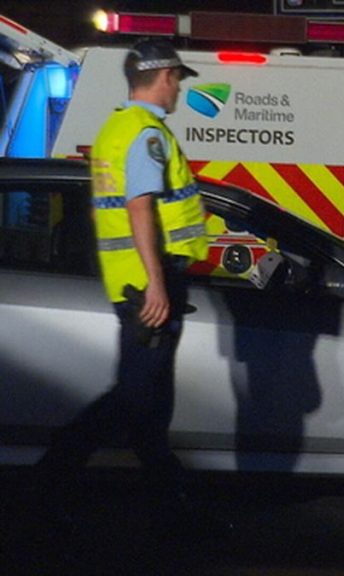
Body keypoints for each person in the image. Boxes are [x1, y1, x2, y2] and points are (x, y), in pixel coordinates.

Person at [35, 39, 208, 529]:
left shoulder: (118, 127)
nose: (178, 89)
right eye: (178, 79)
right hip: (148, 292)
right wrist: (157, 283)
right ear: (165, 77)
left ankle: (170, 510)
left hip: (135, 288)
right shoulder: (146, 134)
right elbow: (139, 206)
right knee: (134, 400)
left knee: (149, 409)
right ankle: (51, 478)